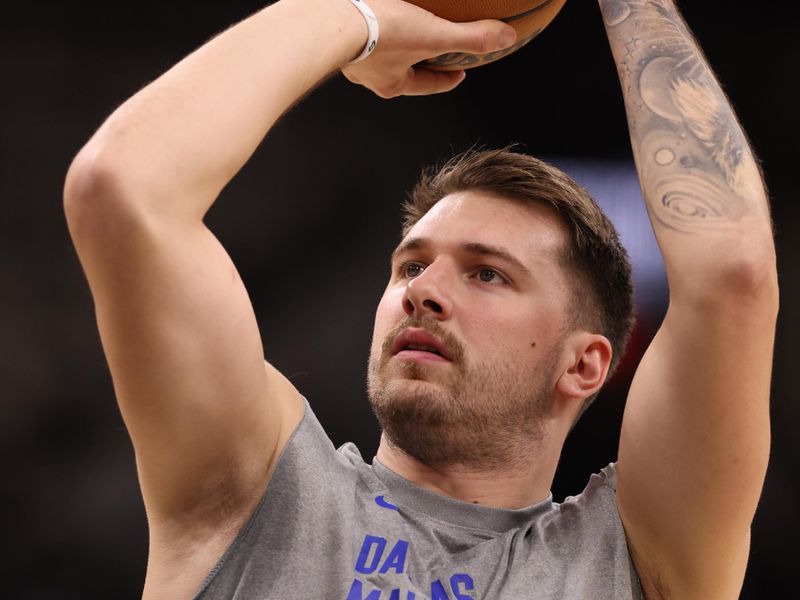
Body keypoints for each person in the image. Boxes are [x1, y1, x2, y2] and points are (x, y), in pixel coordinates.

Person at [63, 0, 777, 598]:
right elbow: (123, 188)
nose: (424, 293)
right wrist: (354, 16)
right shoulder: (257, 487)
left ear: (584, 364)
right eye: (409, 268)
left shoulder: (629, 563)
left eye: (487, 273)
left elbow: (733, 274)